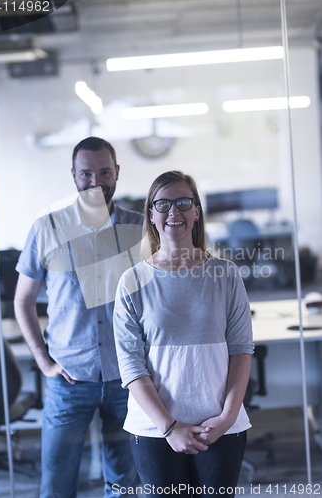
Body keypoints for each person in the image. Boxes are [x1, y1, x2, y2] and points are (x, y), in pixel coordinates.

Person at [14, 137, 142, 498]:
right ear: (73, 175)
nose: (95, 181)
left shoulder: (140, 228)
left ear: (117, 172)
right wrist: (44, 362)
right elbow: (22, 301)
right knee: (56, 485)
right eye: (86, 173)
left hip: (128, 378)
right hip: (69, 379)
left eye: (104, 171)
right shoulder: (47, 229)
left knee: (125, 484)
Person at [113, 170, 254, 497]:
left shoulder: (225, 274)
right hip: (155, 430)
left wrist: (226, 419)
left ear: (197, 210)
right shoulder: (132, 281)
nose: (173, 212)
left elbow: (241, 350)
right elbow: (132, 367)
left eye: (182, 202)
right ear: (151, 214)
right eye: (162, 204)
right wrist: (170, 427)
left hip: (220, 426)